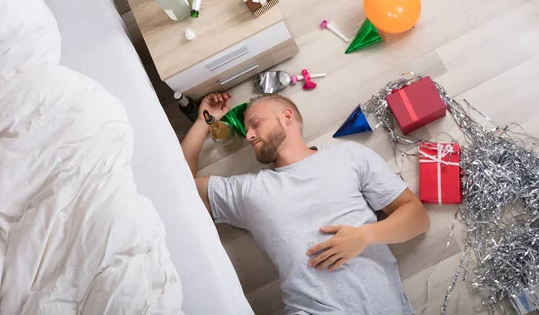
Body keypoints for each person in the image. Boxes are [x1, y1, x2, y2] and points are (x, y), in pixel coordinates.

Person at [181, 92, 430, 315]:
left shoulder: (349, 156)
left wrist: (365, 236)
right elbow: (178, 186)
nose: (249, 136)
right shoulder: (248, 191)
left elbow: (418, 218)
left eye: (255, 124)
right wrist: (205, 120)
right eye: (247, 130)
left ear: (286, 116)